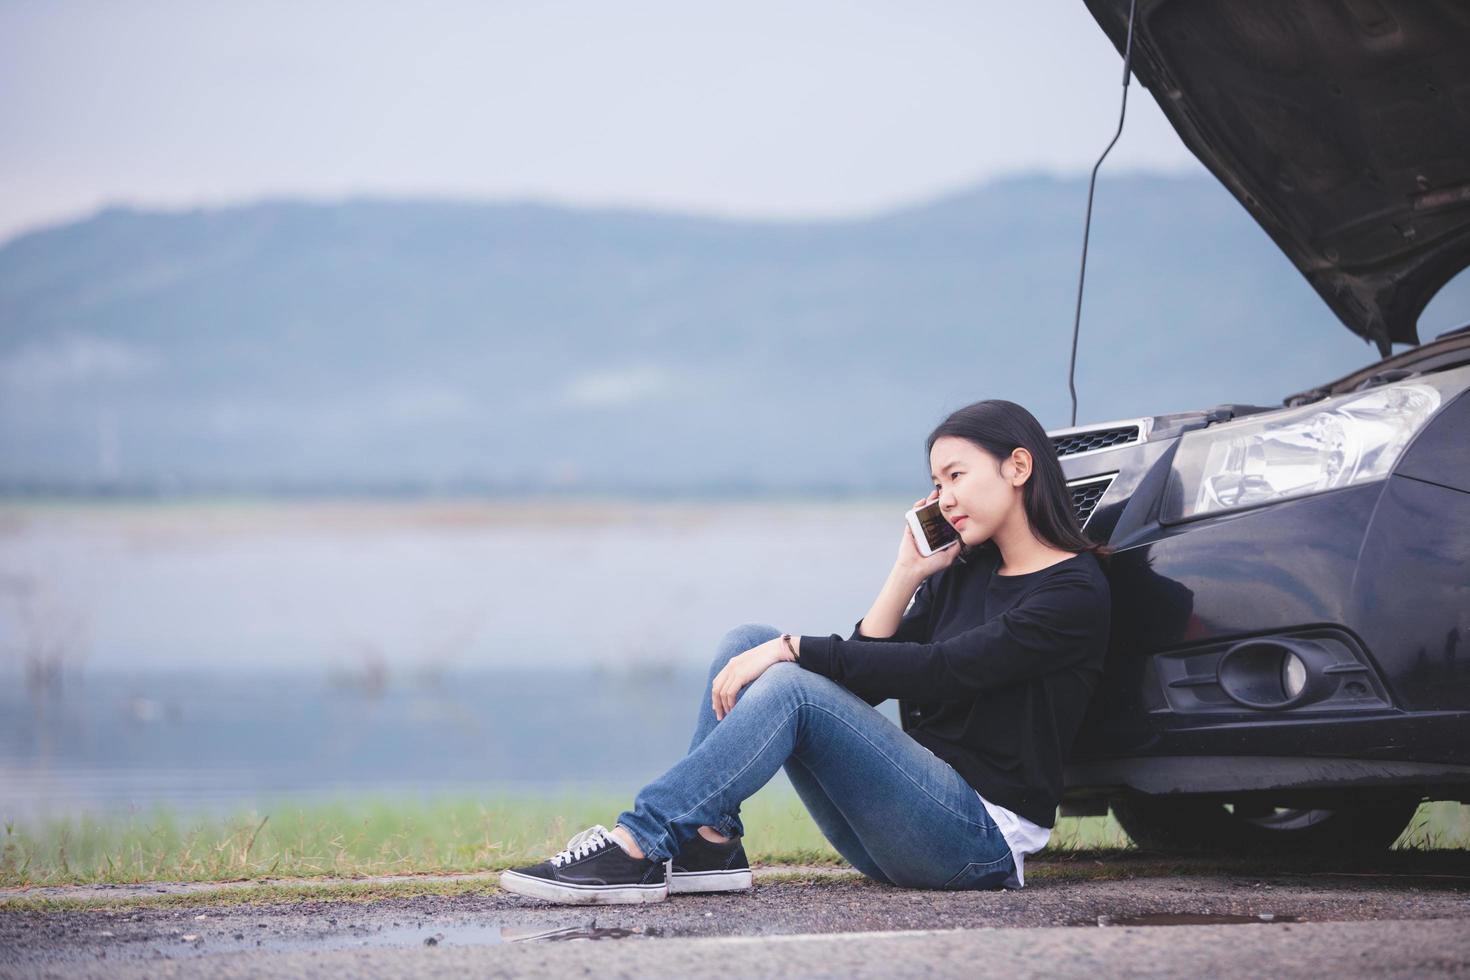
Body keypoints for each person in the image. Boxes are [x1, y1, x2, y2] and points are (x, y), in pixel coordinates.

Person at [499, 399, 1113, 904]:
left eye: (956, 476)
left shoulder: (1073, 593)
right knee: (747, 641)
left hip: (979, 843)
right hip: (910, 820)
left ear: (1018, 466)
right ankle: (707, 846)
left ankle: (639, 844)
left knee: (788, 677)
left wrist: (794, 650)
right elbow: (866, 689)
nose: (944, 498)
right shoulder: (964, 570)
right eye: (935, 483)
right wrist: (905, 576)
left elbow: (946, 672)